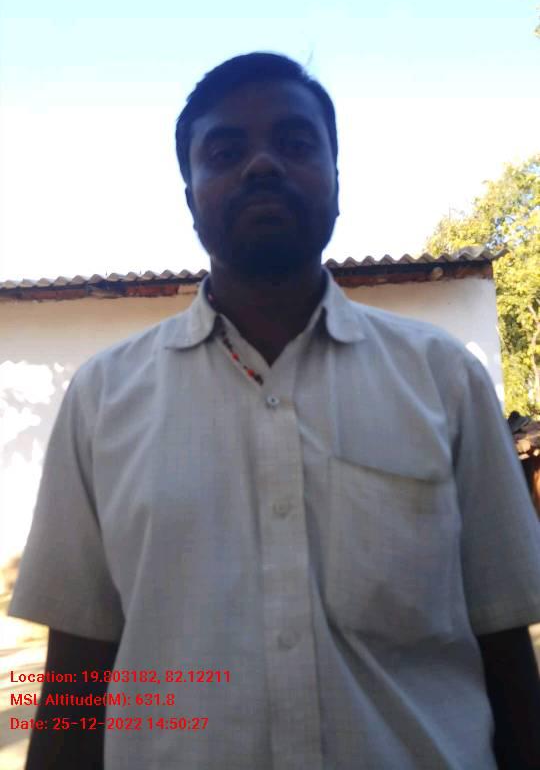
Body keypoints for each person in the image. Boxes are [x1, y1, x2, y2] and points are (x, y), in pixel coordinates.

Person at [9, 51, 540, 770]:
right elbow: (77, 667)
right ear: (190, 197)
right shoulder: (103, 400)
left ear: (337, 181)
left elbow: (505, 652)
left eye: (294, 143)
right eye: (226, 152)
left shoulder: (443, 380)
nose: (261, 165)